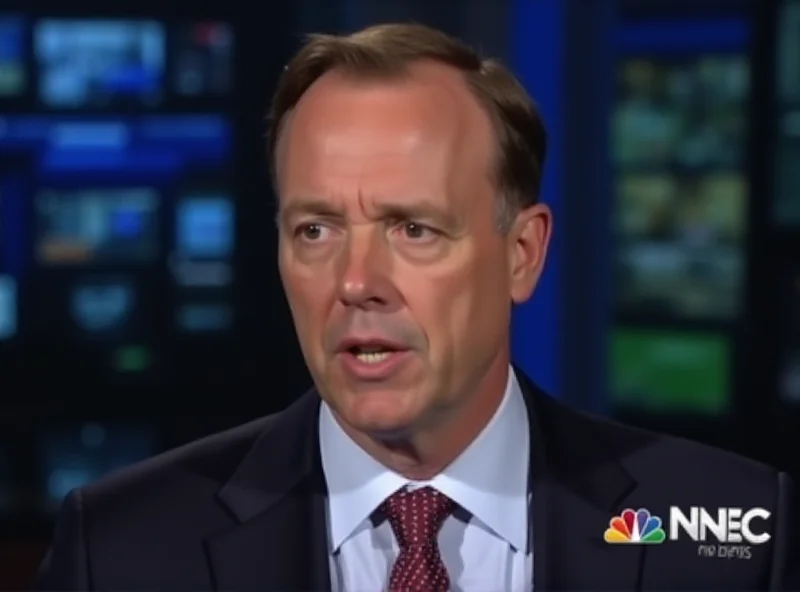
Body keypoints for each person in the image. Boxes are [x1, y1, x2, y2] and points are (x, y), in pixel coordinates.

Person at [37, 23, 794, 592]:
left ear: (522, 254)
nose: (356, 279)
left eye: (414, 229)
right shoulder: (119, 549)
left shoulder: (731, 533)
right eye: (316, 229)